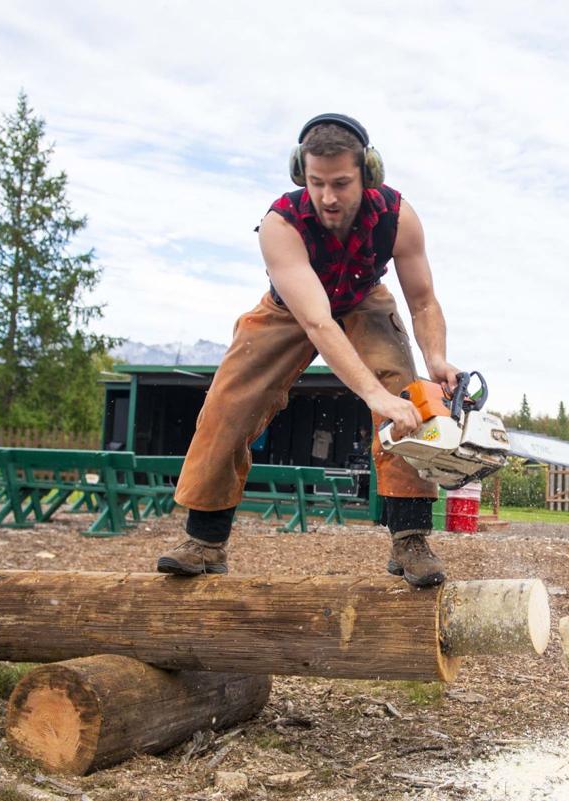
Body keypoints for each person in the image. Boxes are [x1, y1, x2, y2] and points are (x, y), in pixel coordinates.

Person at [156, 113, 458, 588]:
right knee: (229, 403)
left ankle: (410, 538)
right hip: (292, 309)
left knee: (403, 389)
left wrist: (437, 359)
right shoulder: (281, 223)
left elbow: (423, 302)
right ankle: (204, 540)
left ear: (368, 173)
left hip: (362, 297)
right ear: (302, 174)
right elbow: (317, 320)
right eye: (317, 183)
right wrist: (371, 398)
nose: (328, 197)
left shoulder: (399, 218)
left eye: (340, 183)